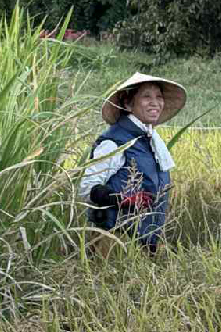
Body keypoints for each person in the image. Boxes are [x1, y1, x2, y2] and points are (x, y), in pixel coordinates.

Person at [79, 71, 186, 253]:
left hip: (144, 239)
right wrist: (123, 199)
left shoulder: (150, 139)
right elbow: (87, 188)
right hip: (115, 238)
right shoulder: (114, 142)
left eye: (158, 96)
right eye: (146, 96)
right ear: (128, 104)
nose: (155, 102)